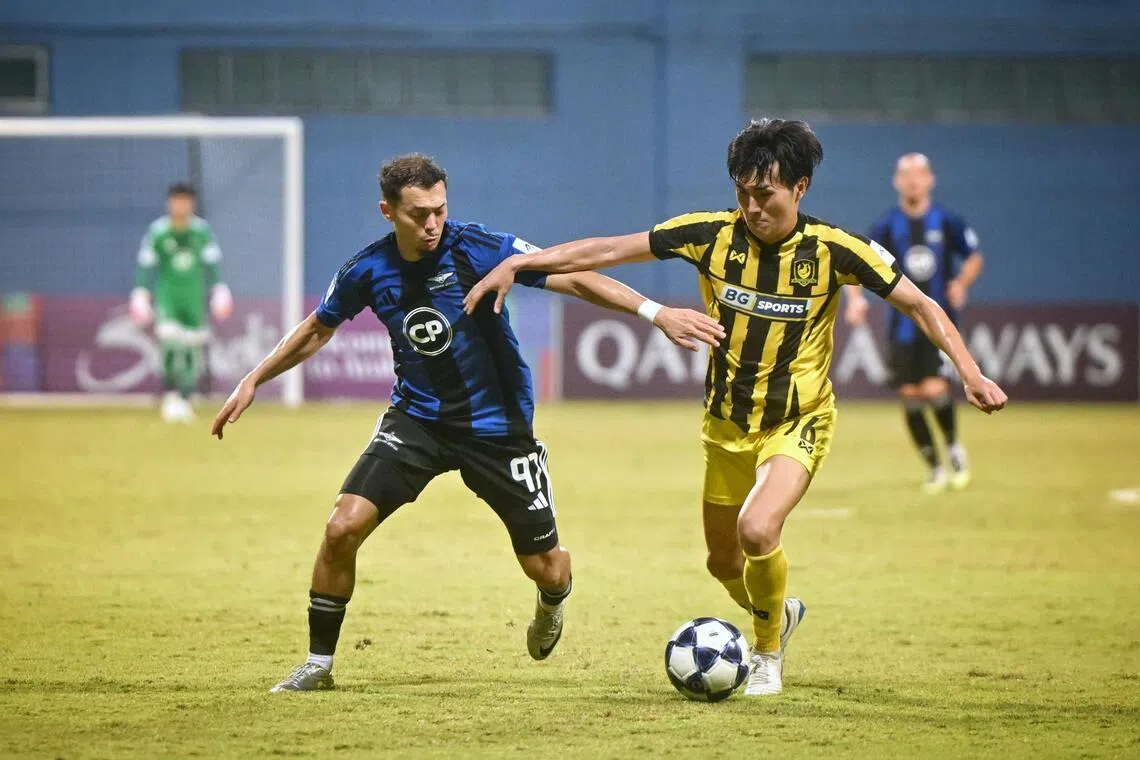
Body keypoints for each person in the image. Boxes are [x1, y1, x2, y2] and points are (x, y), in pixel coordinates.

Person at [462, 120, 1007, 697]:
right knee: (722, 564)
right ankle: (779, 612)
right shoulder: (708, 235)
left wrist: (969, 371)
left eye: (765, 195)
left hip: (799, 420)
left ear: (799, 189)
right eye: (742, 193)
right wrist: (522, 263)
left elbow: (920, 303)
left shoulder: (836, 250)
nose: (751, 207)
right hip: (724, 427)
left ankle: (767, 654)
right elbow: (607, 248)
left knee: (757, 527)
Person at [210, 154, 724, 693]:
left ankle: (553, 600)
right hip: (417, 420)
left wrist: (655, 312)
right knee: (341, 528)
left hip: (499, 430)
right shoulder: (367, 269)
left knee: (545, 566)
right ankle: (318, 664)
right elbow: (319, 327)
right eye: (417, 214)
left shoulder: (477, 248)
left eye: (439, 210)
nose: (432, 224)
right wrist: (255, 377)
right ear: (387, 211)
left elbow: (575, 279)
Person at [845, 153, 985, 493]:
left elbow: (974, 257)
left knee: (934, 389)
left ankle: (953, 448)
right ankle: (934, 467)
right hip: (901, 325)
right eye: (906, 174)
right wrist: (856, 300)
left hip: (939, 323)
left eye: (919, 174)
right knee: (910, 394)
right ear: (896, 181)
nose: (913, 180)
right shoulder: (887, 225)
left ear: (930, 179)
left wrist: (961, 283)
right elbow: (854, 262)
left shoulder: (946, 220)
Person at [130, 183, 233, 423]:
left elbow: (212, 264)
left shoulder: (201, 231)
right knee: (170, 344)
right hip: (168, 297)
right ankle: (170, 396)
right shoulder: (158, 232)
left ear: (192, 204)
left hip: (193, 299)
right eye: (177, 201)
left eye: (185, 201)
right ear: (170, 203)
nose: (181, 206)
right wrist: (140, 292)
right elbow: (146, 264)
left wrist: (219, 290)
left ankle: (185, 400)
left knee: (191, 349)